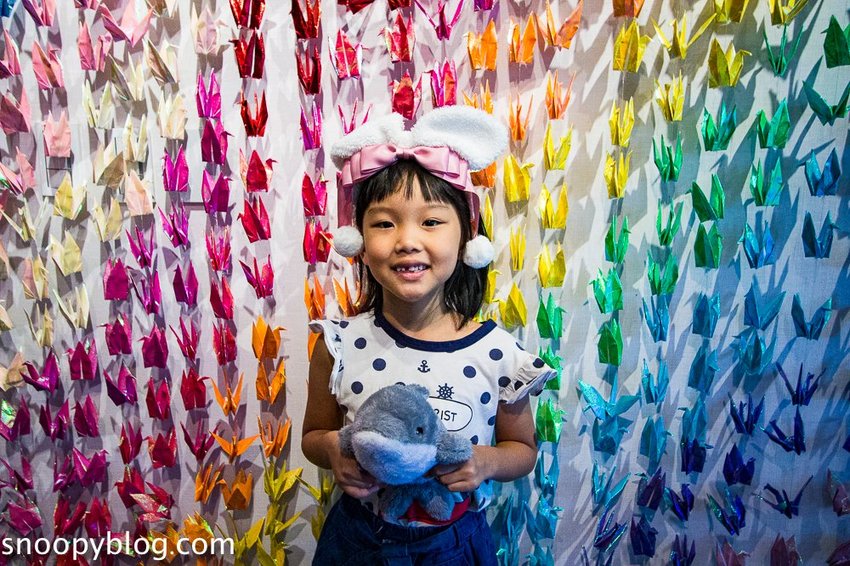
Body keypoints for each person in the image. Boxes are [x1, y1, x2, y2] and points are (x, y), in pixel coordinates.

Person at [301, 106, 556, 565]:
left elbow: (522, 450)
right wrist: (334, 452)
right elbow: (313, 435)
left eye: (431, 221)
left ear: (467, 235)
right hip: (357, 542)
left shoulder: (497, 353)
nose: (406, 240)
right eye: (384, 223)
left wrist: (485, 462)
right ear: (358, 241)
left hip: (455, 545)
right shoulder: (337, 344)